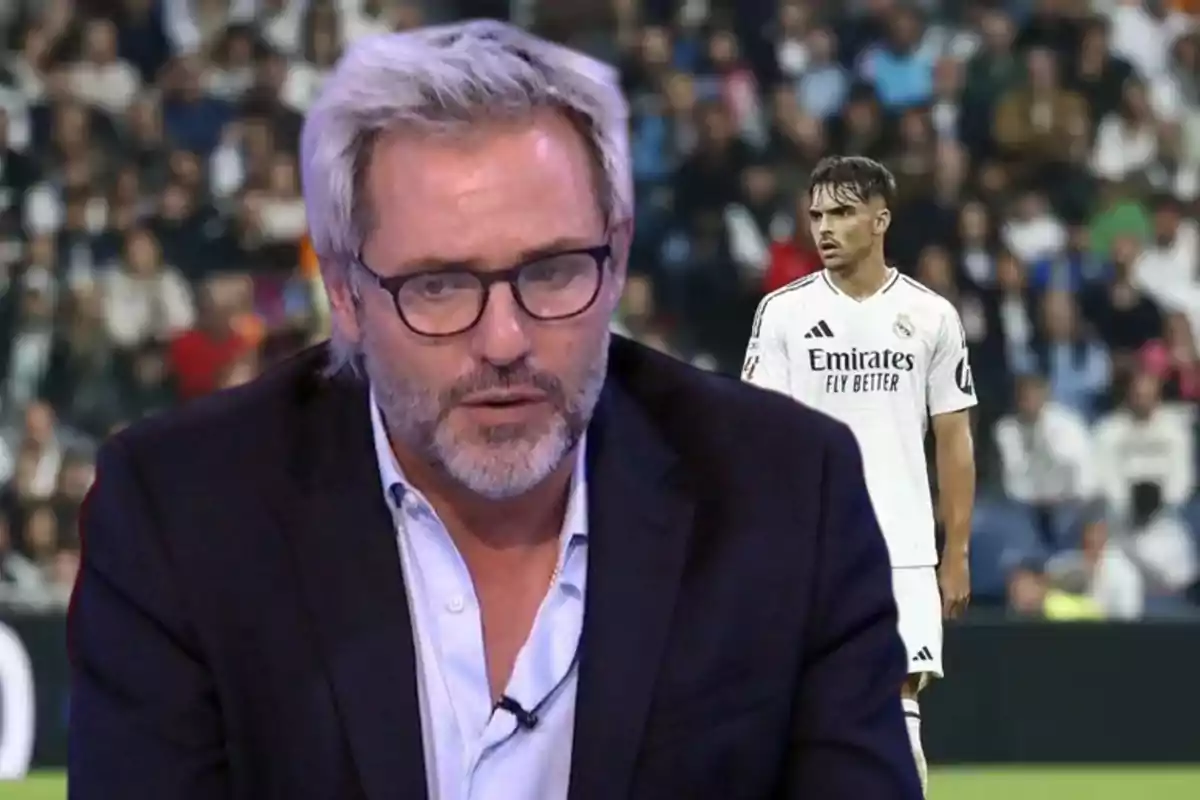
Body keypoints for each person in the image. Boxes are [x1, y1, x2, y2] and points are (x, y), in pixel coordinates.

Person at [68, 23, 921, 800]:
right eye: (438, 285)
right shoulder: (181, 512)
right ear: (345, 292)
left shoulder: (785, 493)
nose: (505, 338)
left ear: (617, 256)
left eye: (552, 271)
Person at [742, 156, 978, 796]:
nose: (825, 228)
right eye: (817, 214)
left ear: (880, 220)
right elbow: (761, 439)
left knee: (897, 708)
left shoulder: (932, 316)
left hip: (901, 549)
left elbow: (953, 440)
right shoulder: (782, 314)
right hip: (809, 550)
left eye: (842, 213)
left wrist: (954, 551)